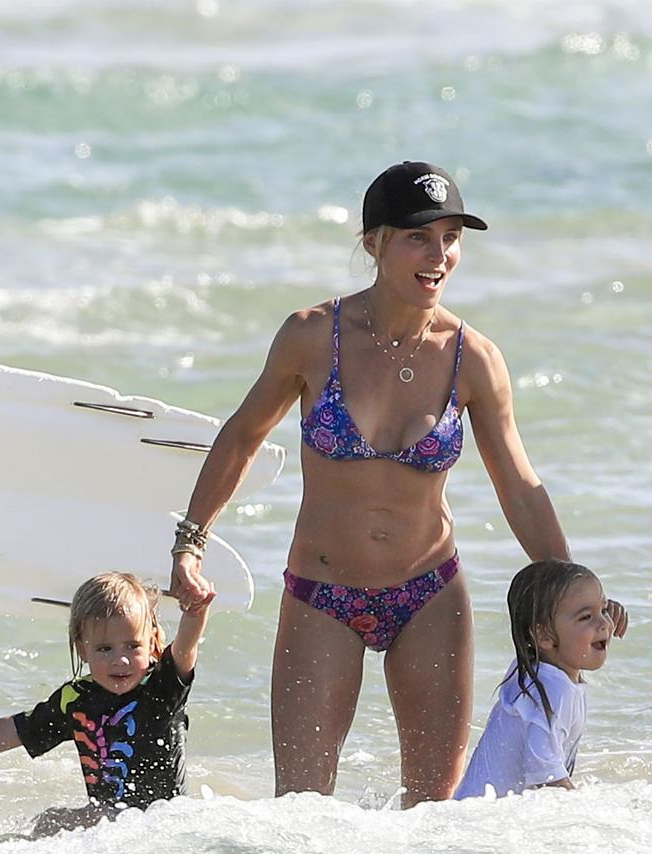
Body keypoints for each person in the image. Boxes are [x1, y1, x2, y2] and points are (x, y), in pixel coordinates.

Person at [170, 160, 627, 807]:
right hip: (322, 594)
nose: (439, 254)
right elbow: (244, 435)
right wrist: (190, 542)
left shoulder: (474, 359)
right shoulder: (312, 337)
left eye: (451, 237)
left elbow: (519, 487)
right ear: (374, 242)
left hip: (429, 596)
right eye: (419, 236)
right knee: (301, 811)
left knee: (435, 817)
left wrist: (581, 595)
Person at [0, 571, 214, 836]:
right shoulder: (77, 699)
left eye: (133, 646)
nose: (120, 659)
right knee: (47, 823)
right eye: (105, 648)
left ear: (153, 641)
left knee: (61, 821)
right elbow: (17, 729)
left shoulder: (162, 687)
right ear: (82, 648)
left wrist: (195, 613)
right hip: (115, 830)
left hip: (165, 824)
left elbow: (186, 650)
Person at [454, 559, 610, 799]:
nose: (604, 624)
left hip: (476, 810)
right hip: (489, 820)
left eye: (605, 610)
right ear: (544, 634)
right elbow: (544, 773)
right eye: (586, 617)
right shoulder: (553, 688)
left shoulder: (534, 673)